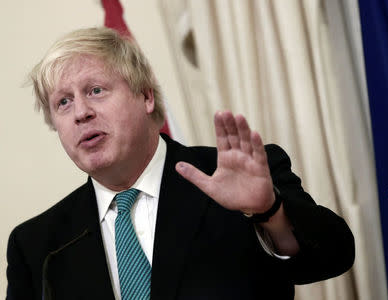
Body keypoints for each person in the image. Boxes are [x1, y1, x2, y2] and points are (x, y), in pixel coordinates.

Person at [6, 27, 354, 300]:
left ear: (145, 96)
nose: (81, 112)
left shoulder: (232, 176)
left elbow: (335, 257)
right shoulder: (37, 245)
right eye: (63, 102)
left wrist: (268, 211)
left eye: (95, 90)